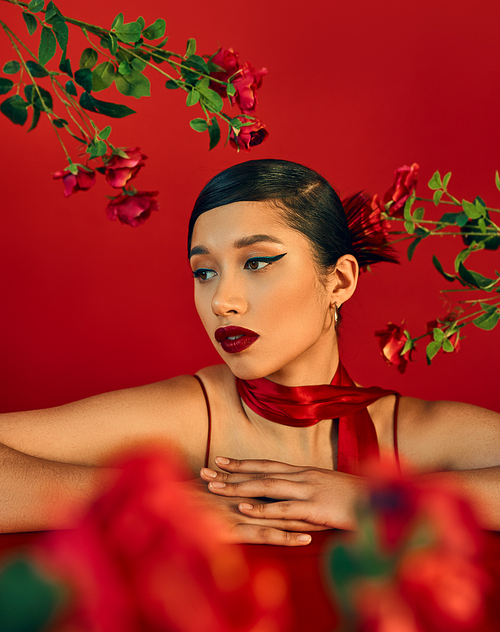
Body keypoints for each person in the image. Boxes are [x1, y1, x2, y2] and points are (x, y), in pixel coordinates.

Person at [0, 158, 499, 542]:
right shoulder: (190, 416)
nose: (222, 300)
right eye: (204, 271)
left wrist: (384, 502)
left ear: (341, 280)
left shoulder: (412, 435)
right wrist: (147, 500)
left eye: (257, 262)